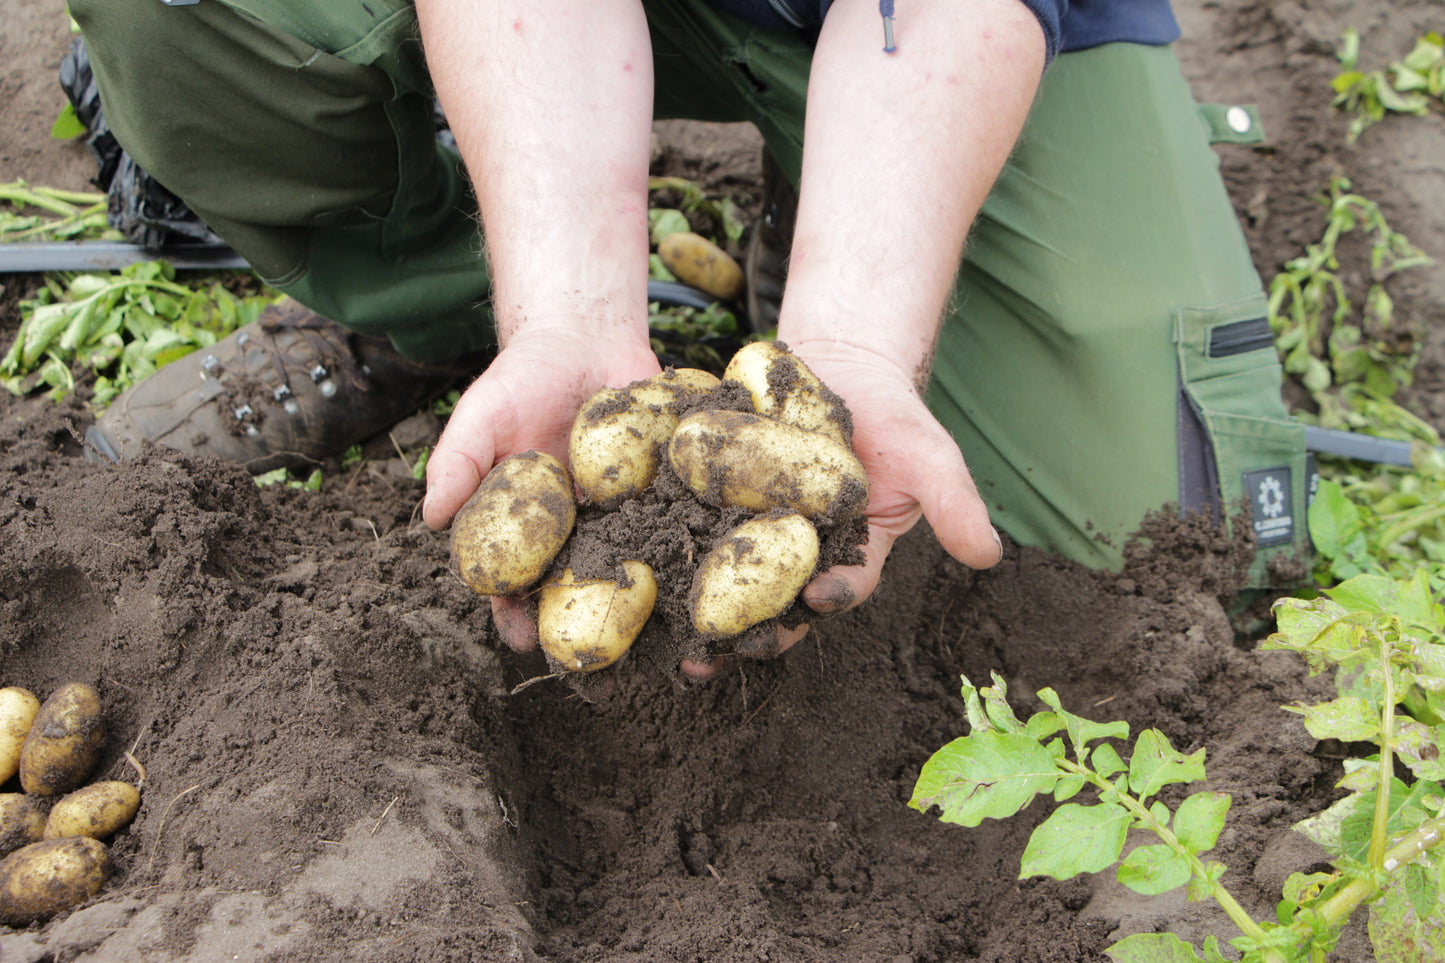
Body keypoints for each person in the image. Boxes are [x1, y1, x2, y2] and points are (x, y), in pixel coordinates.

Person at [70, 0, 1311, 676]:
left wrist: (853, 335)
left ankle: (822, 201)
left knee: (1165, 545)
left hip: (954, 27)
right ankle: (433, 306)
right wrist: (561, 310)